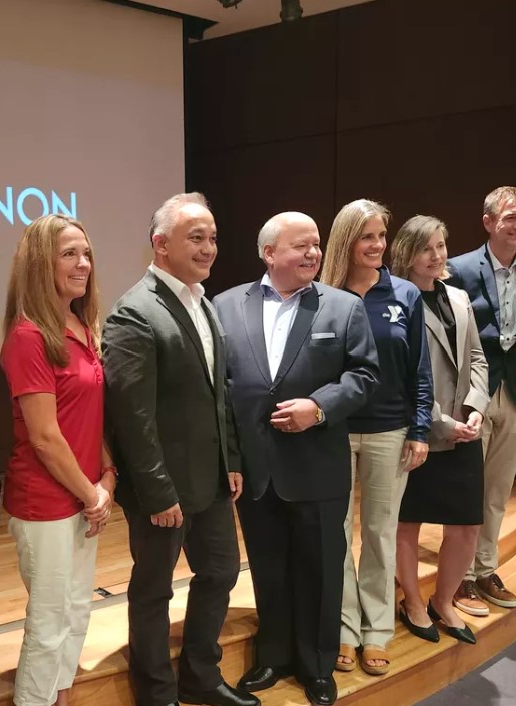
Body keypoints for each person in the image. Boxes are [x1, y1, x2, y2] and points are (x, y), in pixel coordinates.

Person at [214, 212, 379, 705]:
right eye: (301, 245)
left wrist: (320, 407)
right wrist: (230, 457)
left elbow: (365, 377)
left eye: (316, 244)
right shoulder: (224, 305)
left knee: (321, 569)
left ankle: (317, 666)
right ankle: (273, 657)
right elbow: (222, 389)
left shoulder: (343, 308)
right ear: (269, 253)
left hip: (317, 465)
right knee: (268, 567)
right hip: (256, 469)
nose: (312, 253)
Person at [103, 193, 258, 706]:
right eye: (196, 237)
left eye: (212, 237)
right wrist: (156, 491)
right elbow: (132, 417)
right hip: (162, 489)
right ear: (160, 243)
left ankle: (200, 676)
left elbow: (220, 396)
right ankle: (156, 693)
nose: (209, 247)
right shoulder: (134, 312)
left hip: (211, 481)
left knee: (221, 572)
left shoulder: (202, 304)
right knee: (153, 591)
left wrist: (231, 461)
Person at [0, 214, 116, 706]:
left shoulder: (83, 326)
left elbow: (91, 414)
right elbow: (45, 438)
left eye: (85, 253)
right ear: (39, 263)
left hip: (87, 496)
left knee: (75, 613)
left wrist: (107, 476)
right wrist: (93, 493)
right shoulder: (29, 337)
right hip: (47, 502)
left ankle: (60, 699)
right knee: (48, 624)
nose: (82, 263)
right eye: (69, 253)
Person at [318, 198, 433, 676]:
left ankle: (376, 630)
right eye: (367, 236)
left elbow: (420, 370)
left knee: (381, 534)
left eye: (381, 236)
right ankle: (345, 628)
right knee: (338, 535)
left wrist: (421, 427)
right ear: (346, 239)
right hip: (336, 433)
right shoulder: (322, 295)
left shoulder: (405, 294)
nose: (378, 245)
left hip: (391, 430)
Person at [447, 187, 516, 616]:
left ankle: (486, 568)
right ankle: (460, 577)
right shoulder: (457, 269)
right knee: (467, 486)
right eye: (511, 217)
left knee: (499, 488)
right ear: (489, 222)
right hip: (474, 389)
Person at [390, 215, 490, 645]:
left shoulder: (460, 298)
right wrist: (441, 424)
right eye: (426, 248)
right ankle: (412, 601)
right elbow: (400, 373)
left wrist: (476, 409)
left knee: (467, 525)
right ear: (407, 254)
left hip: (465, 430)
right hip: (419, 432)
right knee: (407, 523)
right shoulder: (397, 299)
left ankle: (443, 600)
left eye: (441, 246)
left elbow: (478, 358)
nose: (437, 256)